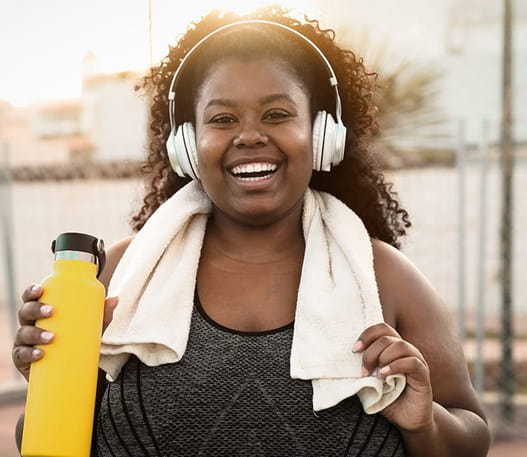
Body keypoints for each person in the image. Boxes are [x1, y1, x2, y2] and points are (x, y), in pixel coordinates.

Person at [13, 6, 490, 456]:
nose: (249, 135)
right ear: (186, 145)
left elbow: (472, 436)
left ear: (324, 135)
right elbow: (44, 442)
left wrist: (424, 421)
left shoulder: (386, 276)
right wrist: (49, 381)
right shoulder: (118, 276)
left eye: (277, 114)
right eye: (222, 119)